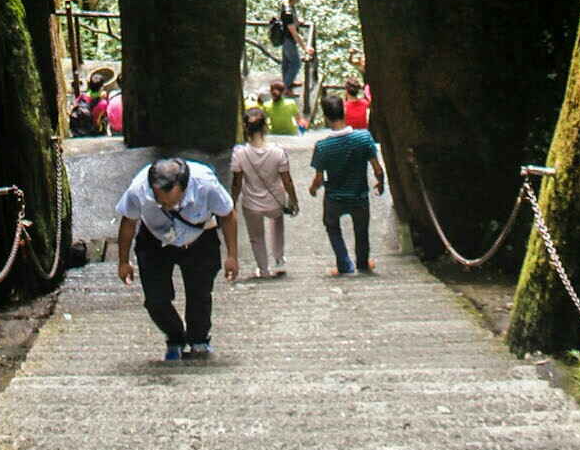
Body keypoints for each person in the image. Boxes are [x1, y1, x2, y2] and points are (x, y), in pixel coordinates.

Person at [117, 156, 239, 361]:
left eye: (173, 202)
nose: (167, 207)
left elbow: (227, 215)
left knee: (199, 293)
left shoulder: (205, 185)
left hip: (199, 239)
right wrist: (123, 260)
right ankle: (175, 337)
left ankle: (199, 339)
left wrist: (232, 255)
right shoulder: (138, 189)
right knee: (155, 300)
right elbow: (128, 223)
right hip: (155, 239)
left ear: (185, 188)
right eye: (161, 203)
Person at [309, 89, 384, 276]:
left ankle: (344, 264)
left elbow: (318, 179)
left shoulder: (322, 147)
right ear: (344, 111)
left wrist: (313, 188)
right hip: (359, 196)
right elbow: (377, 168)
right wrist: (380, 182)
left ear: (326, 116)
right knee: (361, 230)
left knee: (332, 226)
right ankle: (363, 263)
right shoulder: (363, 138)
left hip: (334, 198)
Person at [230, 107, 299, 279]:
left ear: (245, 127)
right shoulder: (278, 151)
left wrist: (231, 203)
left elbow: (237, 183)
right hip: (275, 200)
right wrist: (294, 200)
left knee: (256, 237)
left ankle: (263, 268)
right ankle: (279, 259)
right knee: (277, 227)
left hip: (251, 202)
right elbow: (287, 180)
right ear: (265, 127)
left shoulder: (239, 153)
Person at [279, 0, 310, 93]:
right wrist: (305, 48)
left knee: (286, 62)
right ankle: (285, 89)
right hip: (288, 39)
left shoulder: (285, 1)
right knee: (296, 64)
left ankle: (288, 82)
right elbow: (294, 33)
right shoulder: (288, 13)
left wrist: (297, 21)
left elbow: (291, 21)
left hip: (284, 36)